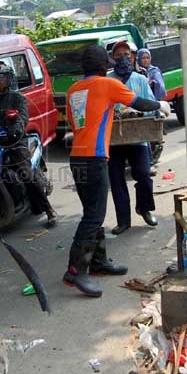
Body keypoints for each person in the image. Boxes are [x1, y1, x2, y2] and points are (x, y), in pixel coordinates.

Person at [64, 45, 161, 297]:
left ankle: (98, 262)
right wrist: (161, 105)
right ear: (102, 66)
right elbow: (138, 102)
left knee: (91, 212)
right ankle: (75, 271)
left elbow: (76, 123)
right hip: (94, 158)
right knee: (93, 216)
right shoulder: (107, 84)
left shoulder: (73, 90)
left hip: (77, 157)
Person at [0, 61, 57, 226]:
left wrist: (15, 129)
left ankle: (49, 209)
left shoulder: (17, 98)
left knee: (26, 174)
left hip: (15, 141)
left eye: (2, 77)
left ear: (9, 78)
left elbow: (23, 117)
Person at [108, 40, 159, 235]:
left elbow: (151, 104)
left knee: (144, 175)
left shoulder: (139, 79)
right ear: (113, 58)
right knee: (116, 179)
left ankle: (144, 208)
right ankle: (123, 221)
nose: (123, 58)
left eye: (127, 54)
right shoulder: (107, 80)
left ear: (132, 57)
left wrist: (137, 112)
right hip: (114, 139)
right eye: (119, 55)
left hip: (138, 137)